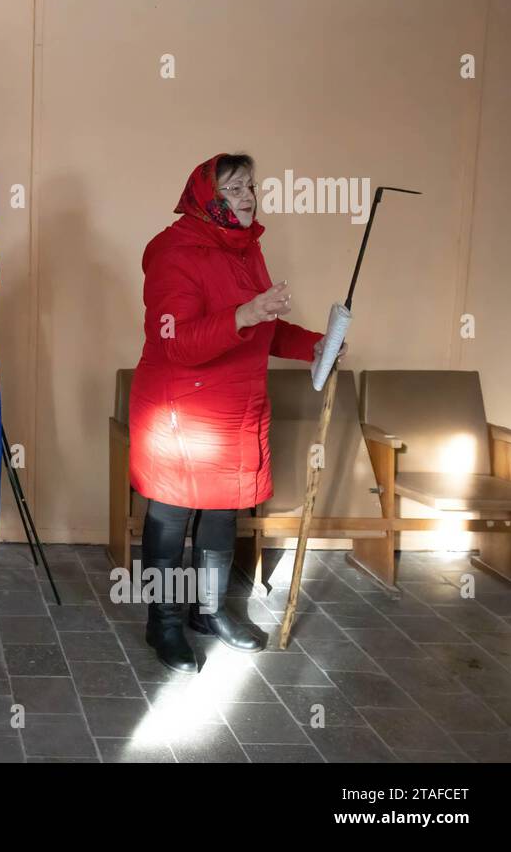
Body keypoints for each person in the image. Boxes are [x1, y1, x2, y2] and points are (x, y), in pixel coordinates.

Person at [128, 153, 345, 673]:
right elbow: (176, 341)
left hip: (234, 411)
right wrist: (245, 312)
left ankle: (208, 612)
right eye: (234, 189)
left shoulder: (247, 249)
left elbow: (261, 328)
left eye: (251, 186)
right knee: (171, 516)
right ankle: (163, 623)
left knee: (222, 513)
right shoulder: (174, 253)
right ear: (208, 198)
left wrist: (316, 345)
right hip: (180, 411)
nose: (248, 196)